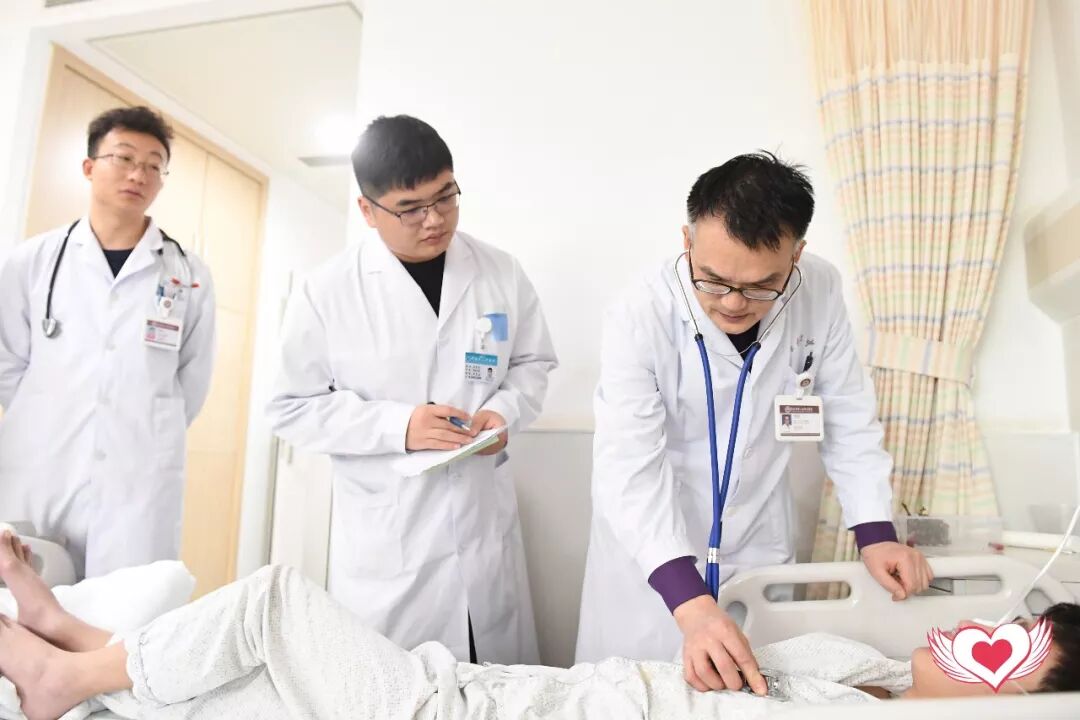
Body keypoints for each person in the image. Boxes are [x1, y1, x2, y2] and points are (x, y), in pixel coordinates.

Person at [0, 531, 1075, 720]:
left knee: (276, 600)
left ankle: (60, 673)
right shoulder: (865, 668)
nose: (971, 633)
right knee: (261, 685)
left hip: (497, 717)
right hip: (524, 692)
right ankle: (79, 654)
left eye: (1004, 652)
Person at [575, 152, 932, 693]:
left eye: (763, 285)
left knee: (762, 695)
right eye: (713, 280)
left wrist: (875, 534)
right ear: (687, 242)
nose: (734, 303)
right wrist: (689, 600)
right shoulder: (640, 313)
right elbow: (629, 466)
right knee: (640, 696)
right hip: (654, 557)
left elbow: (848, 413)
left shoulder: (819, 288)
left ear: (797, 255)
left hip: (758, 542)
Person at [265, 115, 557, 665]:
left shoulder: (500, 272)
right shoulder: (328, 290)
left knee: (497, 682)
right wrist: (399, 426)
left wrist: (504, 412)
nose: (435, 219)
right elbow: (290, 406)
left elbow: (532, 363)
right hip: (391, 545)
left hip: (482, 525)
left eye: (446, 197)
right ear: (367, 210)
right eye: (411, 208)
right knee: (396, 686)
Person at [0, 106, 216, 580]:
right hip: (39, 466)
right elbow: (6, 362)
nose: (139, 174)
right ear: (89, 166)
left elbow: (191, 379)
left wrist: (139, 425)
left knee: (123, 610)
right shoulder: (33, 262)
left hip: (137, 477)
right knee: (27, 601)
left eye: (154, 165)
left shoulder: (187, 274)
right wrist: (49, 415)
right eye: (124, 158)